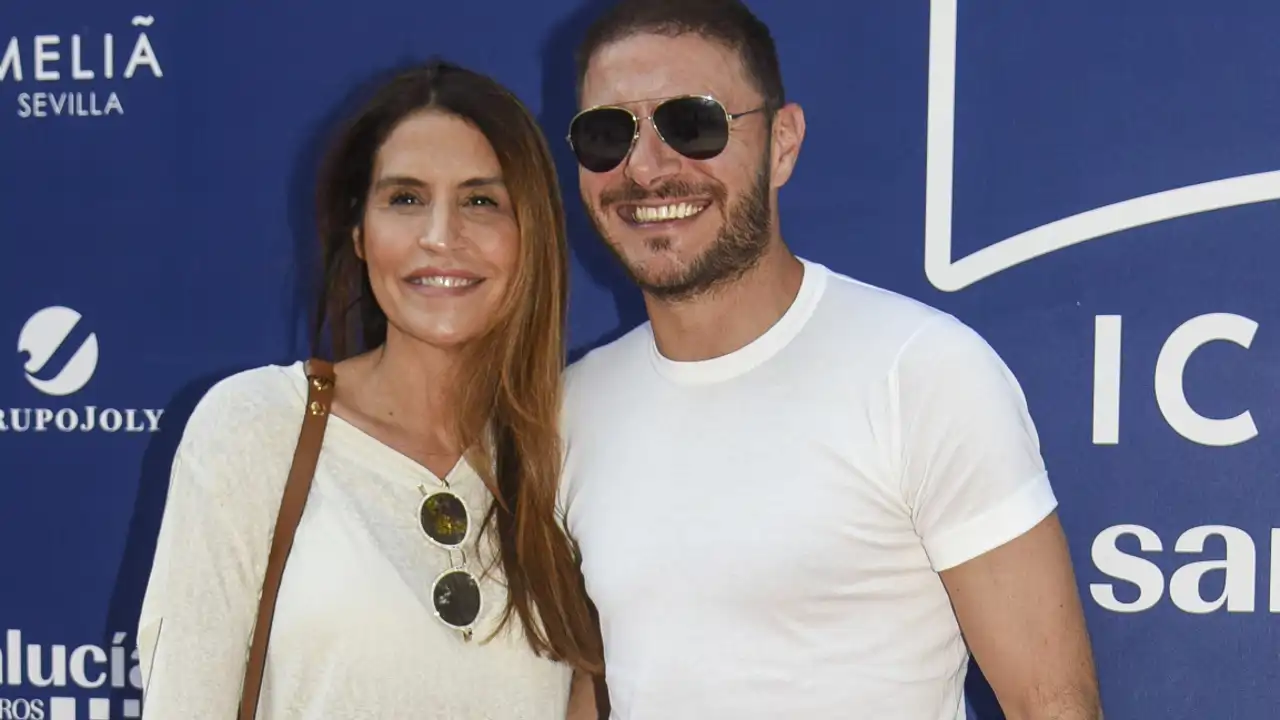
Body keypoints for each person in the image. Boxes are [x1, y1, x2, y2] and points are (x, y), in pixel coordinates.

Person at [556, 1, 1102, 718]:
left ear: (782, 143)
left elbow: (1051, 704)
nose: (648, 167)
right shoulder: (573, 408)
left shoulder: (922, 374)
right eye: (608, 134)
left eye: (692, 124)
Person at [137, 60, 604, 719]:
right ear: (359, 233)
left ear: (530, 237)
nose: (441, 236)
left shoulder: (572, 452)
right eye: (405, 199)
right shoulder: (253, 428)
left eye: (481, 201)